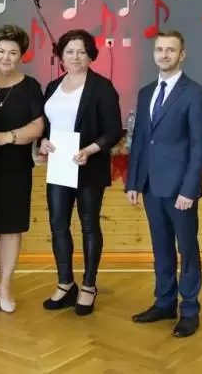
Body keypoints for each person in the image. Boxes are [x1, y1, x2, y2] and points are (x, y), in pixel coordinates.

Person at [125, 30, 202, 338]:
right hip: (150, 186)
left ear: (182, 55)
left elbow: (200, 147)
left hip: (180, 190)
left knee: (186, 249)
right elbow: (139, 141)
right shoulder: (146, 92)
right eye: (159, 49)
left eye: (170, 50)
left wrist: (190, 189)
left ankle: (189, 310)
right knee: (160, 248)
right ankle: (164, 302)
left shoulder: (196, 93)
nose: (164, 54)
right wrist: (133, 182)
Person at [38, 29, 123, 316]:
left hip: (89, 164)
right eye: (70, 51)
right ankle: (65, 284)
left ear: (90, 56)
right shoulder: (52, 86)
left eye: (81, 52)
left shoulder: (102, 87)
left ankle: (88, 285)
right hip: (59, 166)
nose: (75, 57)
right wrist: (42, 142)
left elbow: (113, 130)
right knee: (58, 225)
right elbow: (46, 126)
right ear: (61, 55)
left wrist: (90, 150)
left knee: (89, 225)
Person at [0, 25, 45, 313]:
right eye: (1, 51)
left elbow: (38, 126)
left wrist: (7, 136)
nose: (6, 57)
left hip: (16, 167)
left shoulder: (30, 86)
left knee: (12, 229)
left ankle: (5, 285)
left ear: (21, 56)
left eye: (13, 52)